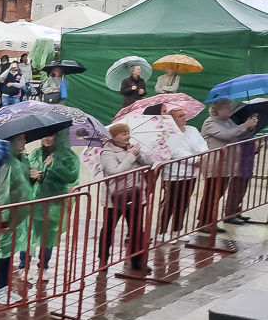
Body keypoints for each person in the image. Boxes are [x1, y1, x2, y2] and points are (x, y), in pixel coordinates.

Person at [0, 136, 34, 304]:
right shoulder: (4, 163)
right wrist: (1, 218)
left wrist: (32, 178)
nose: (24, 143)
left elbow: (21, 186)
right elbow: (0, 192)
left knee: (8, 252)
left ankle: (4, 288)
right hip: (3, 216)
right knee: (0, 253)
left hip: (15, 215)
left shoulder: (21, 159)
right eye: (20, 139)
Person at [198, 99, 258, 235]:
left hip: (227, 165)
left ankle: (210, 221)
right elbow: (227, 135)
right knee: (211, 194)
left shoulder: (228, 121)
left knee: (218, 194)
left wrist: (250, 127)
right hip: (215, 164)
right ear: (217, 109)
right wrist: (244, 125)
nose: (230, 110)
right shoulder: (210, 122)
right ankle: (203, 221)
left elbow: (238, 135)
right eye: (226, 107)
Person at [23, 130, 80, 271]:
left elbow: (72, 177)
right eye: (44, 135)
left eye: (50, 134)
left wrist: (54, 166)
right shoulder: (35, 153)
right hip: (33, 200)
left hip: (53, 201)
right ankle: (23, 265)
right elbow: (26, 173)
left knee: (47, 235)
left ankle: (43, 266)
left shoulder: (67, 156)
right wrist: (32, 175)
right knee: (28, 233)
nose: (46, 138)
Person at [99, 123, 153, 271]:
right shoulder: (107, 152)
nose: (127, 136)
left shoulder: (133, 149)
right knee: (109, 228)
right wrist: (130, 157)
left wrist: (139, 155)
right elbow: (115, 171)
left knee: (136, 228)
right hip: (114, 197)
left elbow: (150, 164)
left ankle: (137, 260)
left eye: (128, 133)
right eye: (123, 134)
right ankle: (103, 259)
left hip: (136, 194)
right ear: (114, 136)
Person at [159, 108, 207, 237]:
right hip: (174, 174)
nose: (184, 118)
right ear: (172, 119)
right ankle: (161, 231)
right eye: (180, 116)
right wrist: (195, 159)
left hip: (192, 173)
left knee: (184, 202)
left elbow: (202, 143)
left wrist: (203, 155)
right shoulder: (167, 133)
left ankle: (177, 230)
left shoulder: (192, 130)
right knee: (170, 202)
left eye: (184, 115)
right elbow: (175, 152)